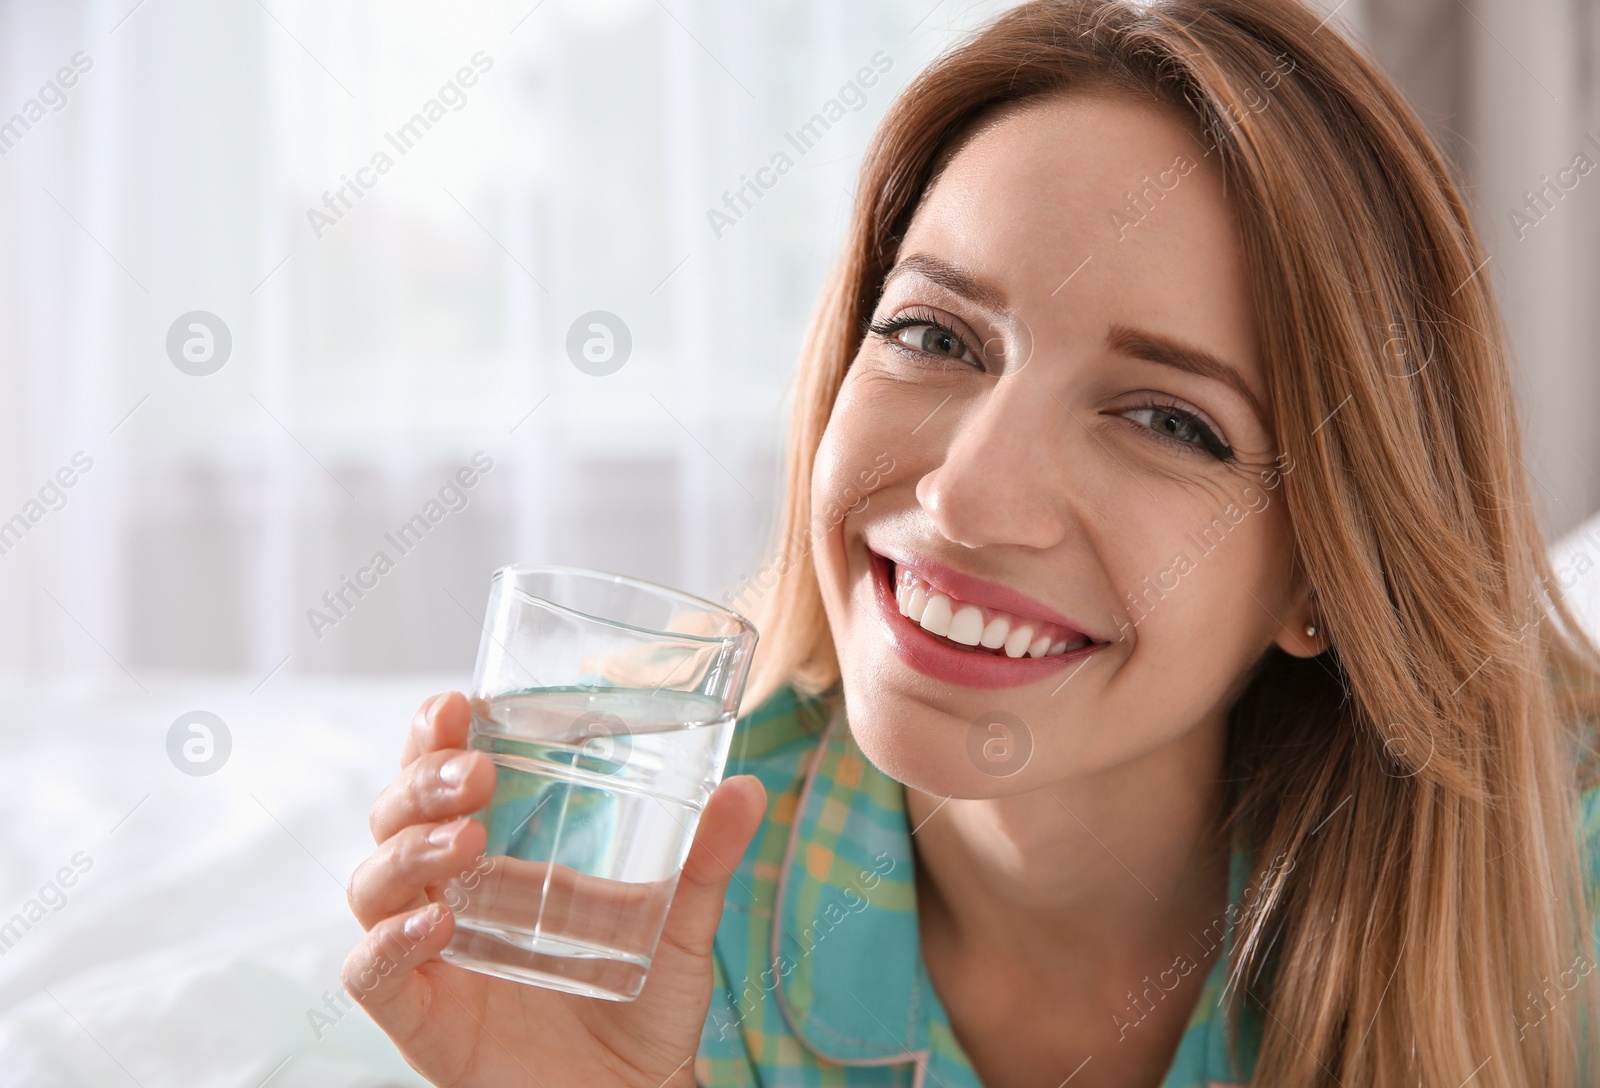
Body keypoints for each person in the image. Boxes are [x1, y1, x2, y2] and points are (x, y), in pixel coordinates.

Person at [343, 0, 1600, 1084]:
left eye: (1167, 419)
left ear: (1331, 572)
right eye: (937, 336)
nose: (966, 498)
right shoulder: (602, 879)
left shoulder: (1565, 902)